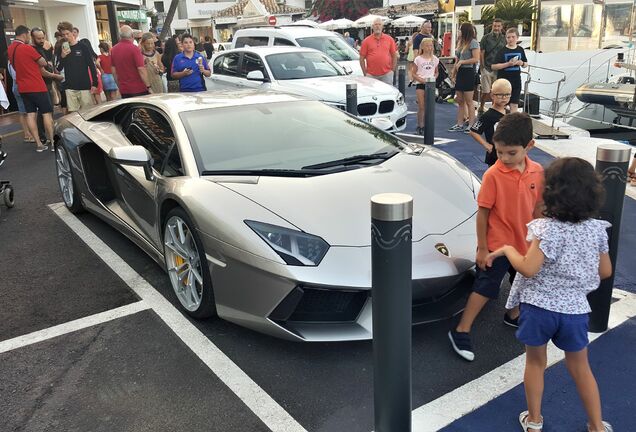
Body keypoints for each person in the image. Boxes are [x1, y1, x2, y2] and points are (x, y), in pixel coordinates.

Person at [485, 157, 614, 432]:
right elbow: (604, 271)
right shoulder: (596, 230)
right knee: (581, 367)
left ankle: (534, 421)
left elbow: (529, 268)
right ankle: (596, 426)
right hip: (575, 310)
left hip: (538, 308)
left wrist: (508, 250)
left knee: (535, 362)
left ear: (551, 192)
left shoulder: (546, 228)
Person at [449, 112, 544, 362]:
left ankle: (512, 314)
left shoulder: (538, 172)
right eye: (500, 152)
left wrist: (538, 240)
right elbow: (483, 214)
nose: (503, 158)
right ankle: (461, 329)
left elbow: (537, 209)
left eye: (510, 153)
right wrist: (482, 248)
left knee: (524, 282)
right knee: (486, 287)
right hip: (496, 245)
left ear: (529, 146)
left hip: (524, 243)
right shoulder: (493, 174)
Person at [7, 25, 57, 152]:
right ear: (24, 35)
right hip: (36, 85)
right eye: (29, 35)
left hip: (22, 86)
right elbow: (43, 62)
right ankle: (52, 141)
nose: (30, 38)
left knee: (30, 114)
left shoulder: (10, 49)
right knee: (46, 113)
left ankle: (39, 144)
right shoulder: (26, 48)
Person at [57, 21, 98, 112]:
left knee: (87, 113)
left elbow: (91, 65)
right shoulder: (63, 47)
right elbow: (59, 68)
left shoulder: (83, 46)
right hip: (70, 86)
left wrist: (95, 83)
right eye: (63, 35)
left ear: (72, 32)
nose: (66, 36)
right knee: (73, 114)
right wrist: (62, 57)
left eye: (67, 34)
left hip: (84, 85)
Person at [469, 78, 511, 165]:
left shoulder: (508, 112)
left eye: (507, 94)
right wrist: (486, 144)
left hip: (508, 154)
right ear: (492, 95)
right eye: (500, 95)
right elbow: (473, 131)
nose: (504, 98)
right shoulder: (488, 115)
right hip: (494, 156)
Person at [449, 23, 480, 132]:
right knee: (460, 100)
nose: (459, 32)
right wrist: (453, 74)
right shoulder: (461, 42)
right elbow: (457, 59)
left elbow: (476, 59)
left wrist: (462, 62)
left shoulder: (473, 43)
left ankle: (471, 124)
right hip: (460, 72)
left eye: (460, 30)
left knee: (469, 100)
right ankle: (459, 123)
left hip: (468, 72)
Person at [492, 27, 528, 113]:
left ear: (517, 38)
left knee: (514, 103)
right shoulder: (502, 50)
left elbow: (526, 64)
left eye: (513, 37)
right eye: (508, 37)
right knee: (501, 104)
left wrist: (521, 63)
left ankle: (513, 123)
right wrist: (508, 64)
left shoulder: (520, 49)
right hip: (503, 80)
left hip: (516, 80)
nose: (511, 39)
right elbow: (494, 66)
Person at [111, 25, 152, 98]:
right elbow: (141, 69)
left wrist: (119, 85)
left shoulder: (113, 50)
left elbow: (113, 71)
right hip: (138, 89)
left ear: (120, 36)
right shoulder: (134, 49)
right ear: (132, 35)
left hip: (124, 89)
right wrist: (148, 86)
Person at [359, 18, 398, 85]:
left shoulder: (389, 39)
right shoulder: (366, 41)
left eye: (379, 24)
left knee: (387, 94)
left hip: (387, 74)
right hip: (371, 75)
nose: (377, 26)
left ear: (382, 27)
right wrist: (365, 73)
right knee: (372, 94)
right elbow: (361, 58)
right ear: (372, 27)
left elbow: (394, 55)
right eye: (375, 24)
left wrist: (392, 70)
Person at [412, 38, 439, 135]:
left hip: (430, 84)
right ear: (422, 47)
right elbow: (414, 73)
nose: (429, 48)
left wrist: (434, 78)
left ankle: (428, 124)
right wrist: (421, 80)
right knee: (421, 106)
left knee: (429, 106)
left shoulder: (435, 59)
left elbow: (436, 72)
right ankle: (420, 125)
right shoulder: (418, 59)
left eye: (431, 45)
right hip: (421, 84)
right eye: (427, 45)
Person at [479, 19, 506, 114]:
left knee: (496, 91)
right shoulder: (486, 38)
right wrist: (482, 66)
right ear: (492, 26)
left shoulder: (504, 38)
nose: (496, 28)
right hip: (487, 67)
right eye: (495, 26)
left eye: (498, 26)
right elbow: (482, 52)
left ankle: (494, 109)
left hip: (498, 68)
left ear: (501, 27)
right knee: (485, 91)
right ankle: (481, 106)